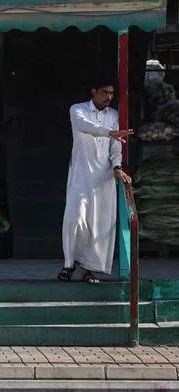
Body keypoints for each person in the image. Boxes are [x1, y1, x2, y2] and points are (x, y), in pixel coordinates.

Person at [59, 78, 133, 285]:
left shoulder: (113, 115)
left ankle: (88, 270)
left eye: (111, 93)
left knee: (99, 226)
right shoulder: (78, 110)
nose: (108, 97)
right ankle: (68, 263)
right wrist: (109, 132)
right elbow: (85, 127)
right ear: (93, 92)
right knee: (76, 218)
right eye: (104, 93)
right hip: (81, 175)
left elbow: (116, 147)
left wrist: (117, 167)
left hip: (104, 178)